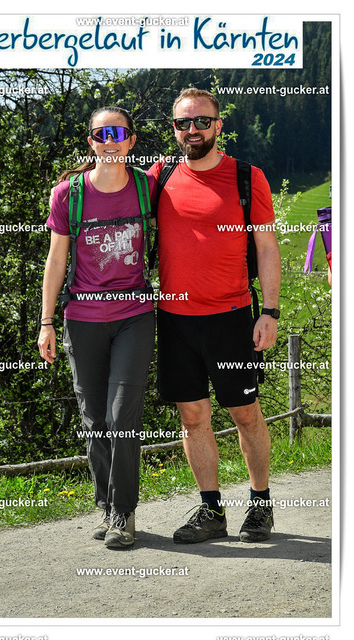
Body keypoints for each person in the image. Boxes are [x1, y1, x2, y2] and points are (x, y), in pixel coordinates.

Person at [149, 88, 281, 544]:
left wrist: (270, 311)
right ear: (174, 128)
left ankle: (260, 505)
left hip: (231, 316)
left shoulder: (247, 177)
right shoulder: (160, 175)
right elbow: (113, 194)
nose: (192, 130)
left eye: (202, 121)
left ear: (218, 126)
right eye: (183, 123)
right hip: (174, 319)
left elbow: (266, 247)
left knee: (246, 414)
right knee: (192, 417)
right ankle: (211, 511)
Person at [38, 106, 156, 549]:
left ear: (131, 141)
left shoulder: (147, 187)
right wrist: (46, 321)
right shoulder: (67, 195)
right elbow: (56, 260)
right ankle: (106, 506)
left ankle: (124, 512)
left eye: (118, 133)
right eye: (101, 134)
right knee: (94, 420)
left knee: (121, 415)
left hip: (134, 317)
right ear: (90, 141)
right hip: (82, 320)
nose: (110, 141)